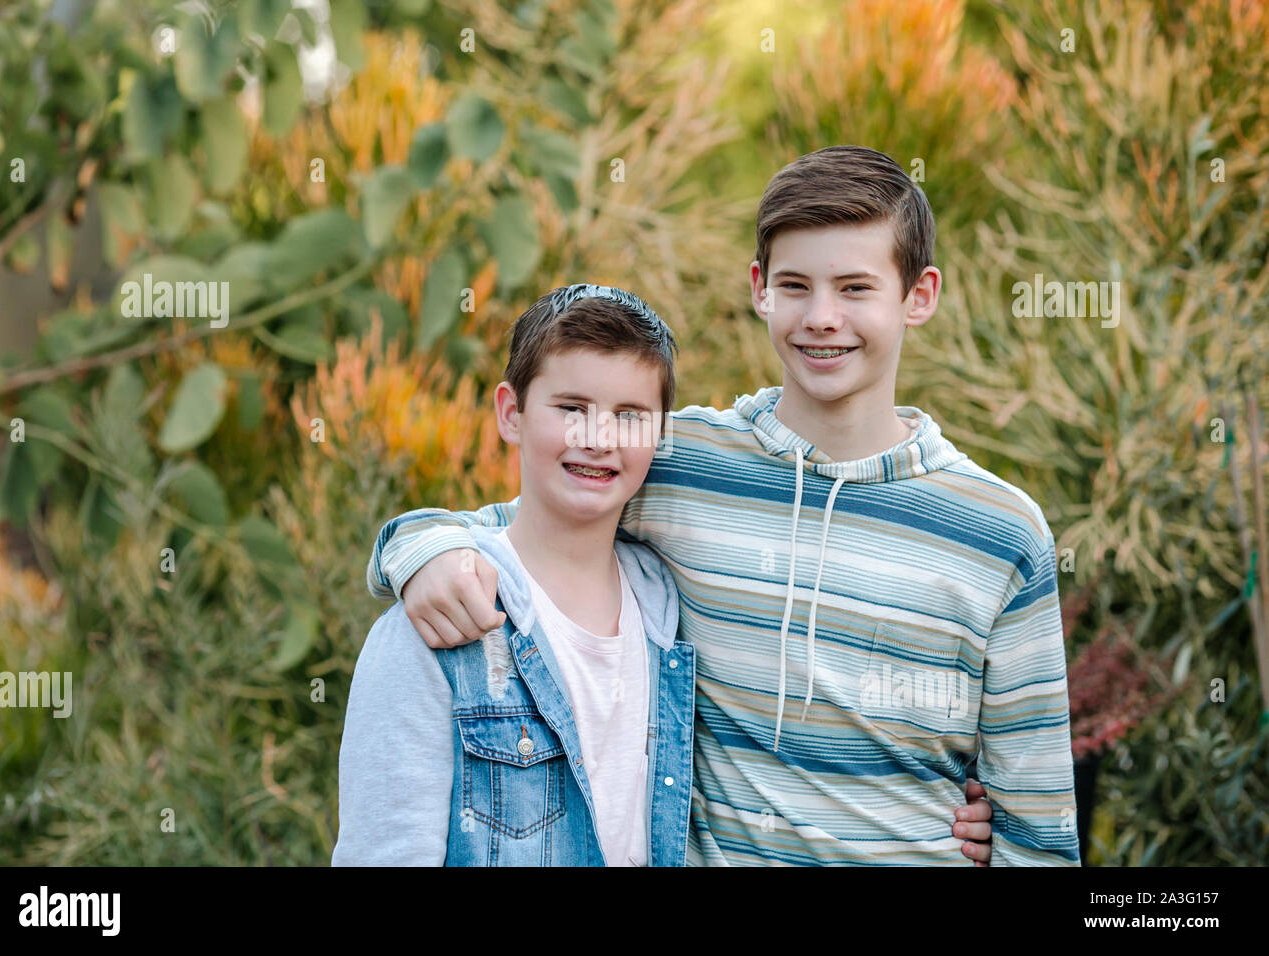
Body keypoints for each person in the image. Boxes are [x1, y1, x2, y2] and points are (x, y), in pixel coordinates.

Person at [367, 147, 1050, 865]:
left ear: (920, 295)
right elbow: (532, 521)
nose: (822, 317)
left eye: (855, 288)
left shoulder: (1000, 533)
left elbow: (1035, 829)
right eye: (795, 285)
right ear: (759, 289)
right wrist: (419, 549)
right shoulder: (678, 459)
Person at [333, 285, 695, 865]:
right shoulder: (439, 621)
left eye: (629, 416)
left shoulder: (666, 611)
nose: (598, 439)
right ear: (511, 413)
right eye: (571, 408)